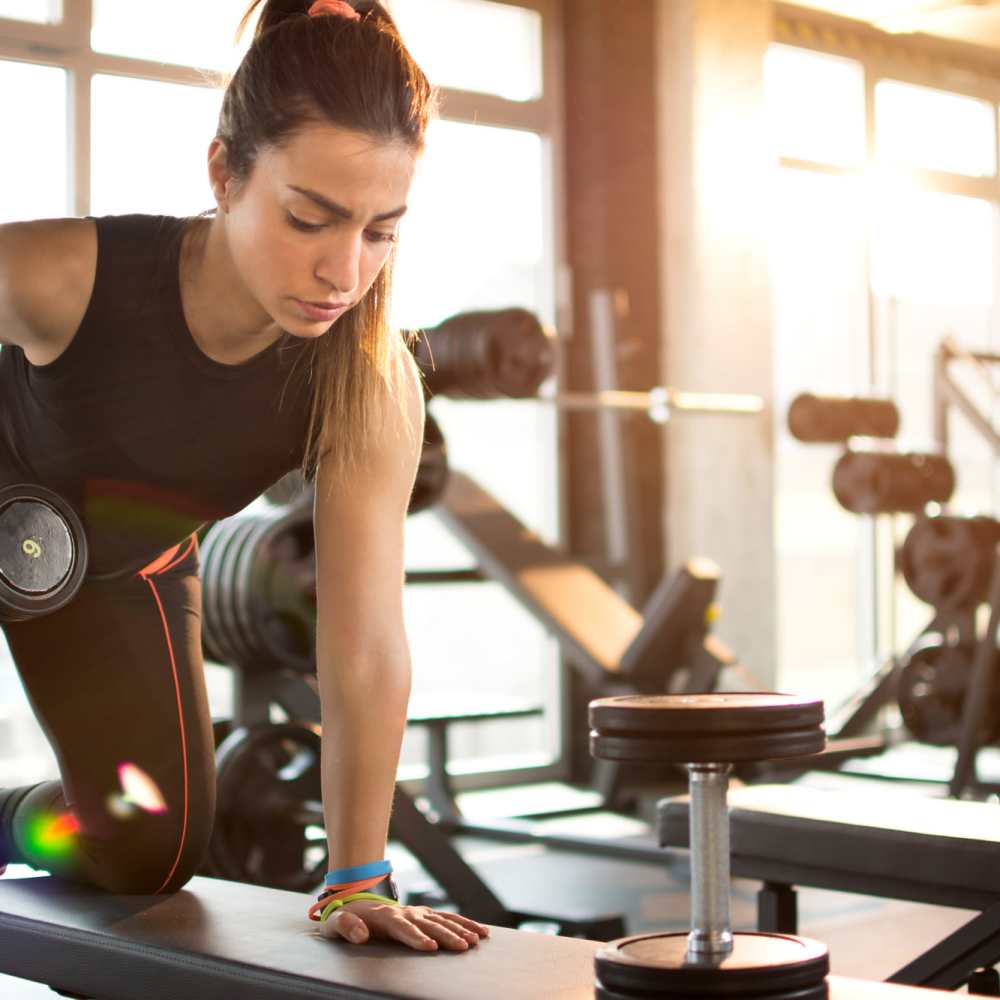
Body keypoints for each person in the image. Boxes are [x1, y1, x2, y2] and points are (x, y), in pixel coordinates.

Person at [0, 0, 489, 953]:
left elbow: (364, 642)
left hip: (112, 568)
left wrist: (356, 878)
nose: (343, 270)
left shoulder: (366, 381)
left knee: (154, 846)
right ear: (225, 172)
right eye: (311, 218)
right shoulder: (62, 273)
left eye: (381, 231)